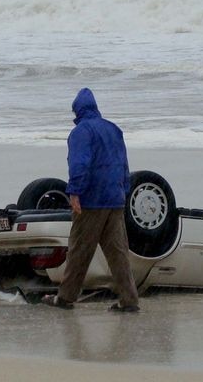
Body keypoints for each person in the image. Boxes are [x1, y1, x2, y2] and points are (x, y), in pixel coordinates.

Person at [41, 87, 140, 312]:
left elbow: (80, 164)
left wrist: (74, 192)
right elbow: (124, 165)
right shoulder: (114, 129)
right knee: (118, 254)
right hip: (115, 199)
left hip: (92, 201)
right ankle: (129, 300)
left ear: (77, 110)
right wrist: (123, 189)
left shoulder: (81, 132)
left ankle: (65, 298)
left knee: (79, 251)